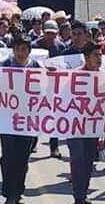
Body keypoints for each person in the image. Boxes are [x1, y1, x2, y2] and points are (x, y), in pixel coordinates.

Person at [0, 37, 41, 204]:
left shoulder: (36, 67)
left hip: (27, 121)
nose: (21, 53)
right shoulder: (4, 66)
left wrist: (51, 75)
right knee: (8, 157)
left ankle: (18, 191)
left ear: (29, 51)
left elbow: (46, 88)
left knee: (22, 158)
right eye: (18, 49)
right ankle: (8, 193)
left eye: (24, 49)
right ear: (13, 51)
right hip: (7, 120)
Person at [66, 42, 103, 204]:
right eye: (96, 55)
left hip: (93, 126)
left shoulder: (104, 77)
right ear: (86, 58)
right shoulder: (74, 76)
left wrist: (103, 131)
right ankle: (78, 195)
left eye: (100, 55)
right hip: (74, 126)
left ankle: (83, 192)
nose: (99, 58)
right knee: (77, 158)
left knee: (88, 160)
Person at [31, 20, 65, 157]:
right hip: (37, 86)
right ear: (43, 32)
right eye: (48, 33)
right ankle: (32, 143)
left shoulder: (60, 46)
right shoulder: (35, 46)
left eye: (53, 33)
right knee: (35, 115)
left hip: (54, 86)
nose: (50, 36)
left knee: (54, 116)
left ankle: (54, 146)